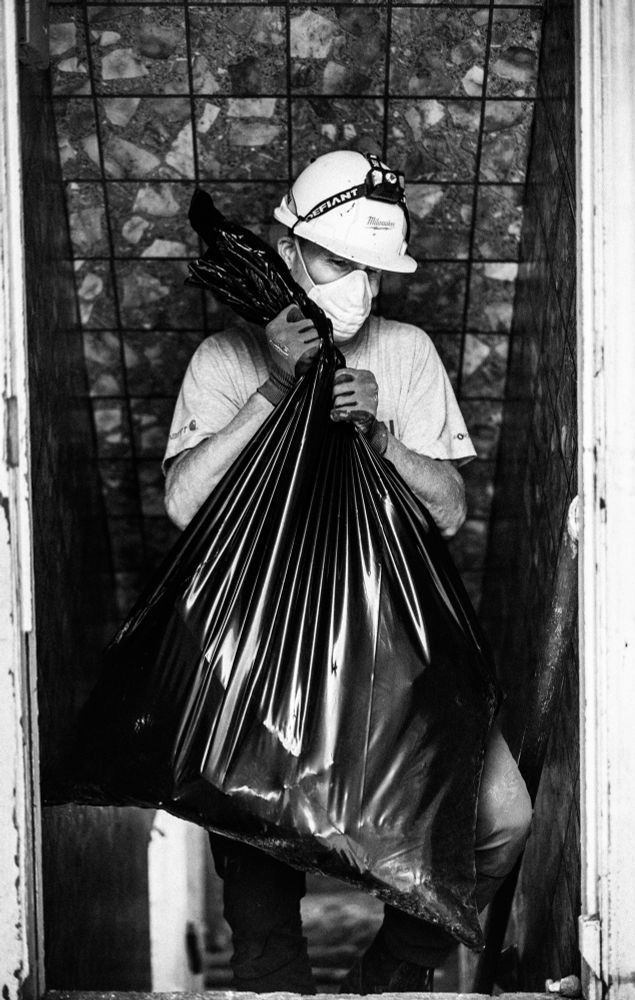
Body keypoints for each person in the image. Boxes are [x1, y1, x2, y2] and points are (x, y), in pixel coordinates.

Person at [163, 150, 532, 994]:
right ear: (287, 250)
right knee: (250, 823)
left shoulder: (405, 352)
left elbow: (448, 512)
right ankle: (271, 976)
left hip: (392, 644)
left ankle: (395, 974)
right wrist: (275, 392)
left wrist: (380, 434)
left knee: (498, 818)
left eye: (372, 269)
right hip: (262, 646)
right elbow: (186, 506)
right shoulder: (224, 363)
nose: (357, 285)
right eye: (337, 261)